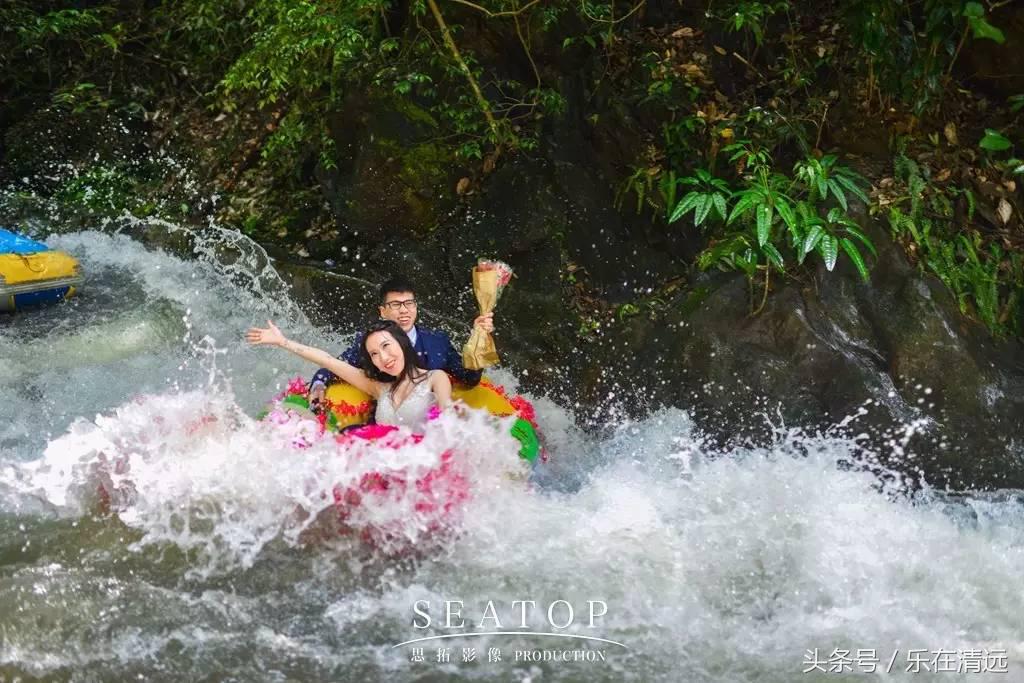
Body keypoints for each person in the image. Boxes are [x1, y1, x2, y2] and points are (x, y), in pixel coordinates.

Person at [308, 276, 493, 407]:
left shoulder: (438, 341)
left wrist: (479, 340)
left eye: (409, 303)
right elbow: (335, 366)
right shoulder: (370, 343)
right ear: (383, 311)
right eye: (395, 305)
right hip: (385, 421)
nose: (404, 310)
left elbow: (469, 378)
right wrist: (318, 384)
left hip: (433, 422)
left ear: (416, 306)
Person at [247, 319, 451, 431]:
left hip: (421, 469)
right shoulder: (379, 388)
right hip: (382, 468)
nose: (384, 357)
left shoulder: (435, 378)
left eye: (386, 346)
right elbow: (328, 360)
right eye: (374, 354)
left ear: (403, 343)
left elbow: (449, 417)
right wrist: (283, 342)